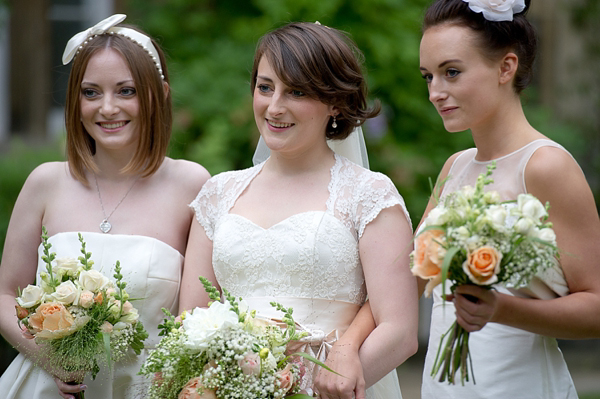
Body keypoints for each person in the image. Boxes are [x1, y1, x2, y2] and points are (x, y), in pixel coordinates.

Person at [180, 22, 419, 399]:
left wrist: (308, 392)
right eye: (265, 87)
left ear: (335, 102)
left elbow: (400, 331)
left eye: (297, 91)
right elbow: (190, 322)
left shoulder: (369, 194)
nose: (274, 107)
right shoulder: (217, 194)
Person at [0, 14, 209, 399]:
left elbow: (195, 318)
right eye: (91, 92)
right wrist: (48, 357)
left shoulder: (192, 184)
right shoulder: (44, 182)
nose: (107, 108)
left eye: (126, 91)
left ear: (159, 93)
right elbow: (5, 296)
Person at [417, 0, 600, 397]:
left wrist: (502, 310)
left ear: (505, 67)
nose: (435, 92)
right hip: (442, 384)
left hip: (518, 385)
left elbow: (597, 306)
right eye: (428, 77)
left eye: (451, 72)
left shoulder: (546, 166)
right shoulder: (454, 167)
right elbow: (410, 278)